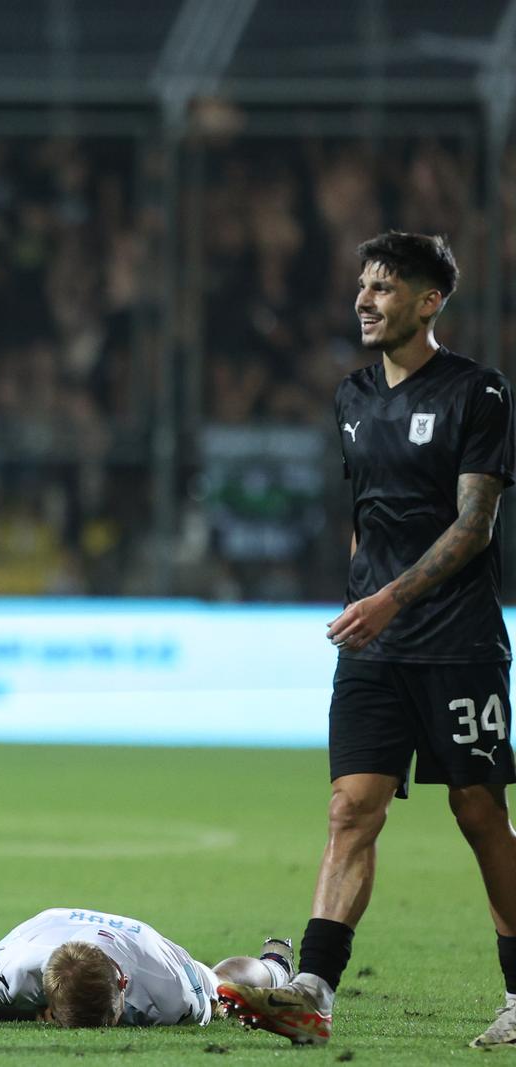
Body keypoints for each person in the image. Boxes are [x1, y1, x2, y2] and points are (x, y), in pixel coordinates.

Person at [219, 233, 516, 1048]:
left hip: (457, 642)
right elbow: (367, 522)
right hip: (373, 647)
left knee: (479, 809)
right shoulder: (351, 396)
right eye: (363, 284)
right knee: (351, 809)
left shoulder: (476, 392)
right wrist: (362, 603)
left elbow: (475, 525)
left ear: (429, 303)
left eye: (385, 286)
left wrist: (387, 597)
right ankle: (314, 985)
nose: (364, 297)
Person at [0, 907, 291, 1028]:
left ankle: (275, 965)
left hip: (141, 941)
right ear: (48, 1004)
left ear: (123, 982)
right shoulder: (11, 968)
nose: (112, 1026)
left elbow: (213, 1003)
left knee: (220, 985)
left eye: (111, 1017)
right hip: (49, 924)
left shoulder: (172, 994)